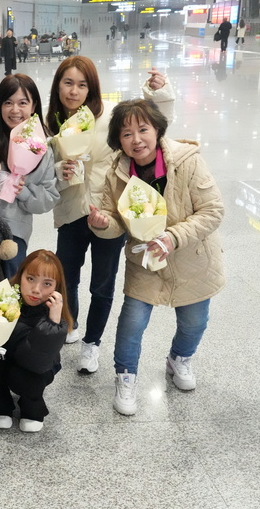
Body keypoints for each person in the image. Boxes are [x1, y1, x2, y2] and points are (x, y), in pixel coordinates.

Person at [86, 99, 225, 416]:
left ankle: (179, 358)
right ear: (118, 140)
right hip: (145, 261)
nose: (136, 140)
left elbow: (212, 211)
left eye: (143, 129)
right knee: (131, 323)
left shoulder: (187, 161)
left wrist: (173, 237)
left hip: (191, 257)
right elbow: (115, 220)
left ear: (158, 129)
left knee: (194, 322)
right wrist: (103, 224)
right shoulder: (118, 173)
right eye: (126, 134)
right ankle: (125, 376)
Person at [46, 56, 174, 369]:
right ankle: (70, 323)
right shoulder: (51, 122)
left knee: (102, 284)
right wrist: (58, 170)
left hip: (109, 213)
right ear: (58, 86)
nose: (74, 91)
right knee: (66, 276)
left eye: (82, 84)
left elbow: (151, 131)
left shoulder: (108, 116)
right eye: (68, 83)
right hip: (70, 211)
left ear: (92, 88)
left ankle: (92, 344)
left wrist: (159, 93)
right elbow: (40, 170)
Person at [0, 250, 70, 432]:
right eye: (30, 279)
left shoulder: (53, 313)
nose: (36, 289)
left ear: (57, 287)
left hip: (31, 368)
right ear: (20, 275)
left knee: (30, 379)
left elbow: (39, 362)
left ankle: (32, 406)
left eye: (47, 284)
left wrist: (52, 324)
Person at [0, 74, 59, 277]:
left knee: (12, 281)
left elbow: (49, 198)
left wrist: (24, 192)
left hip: (15, 231)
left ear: (34, 105)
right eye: (8, 103)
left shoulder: (43, 145)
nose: (15, 110)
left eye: (22, 103)